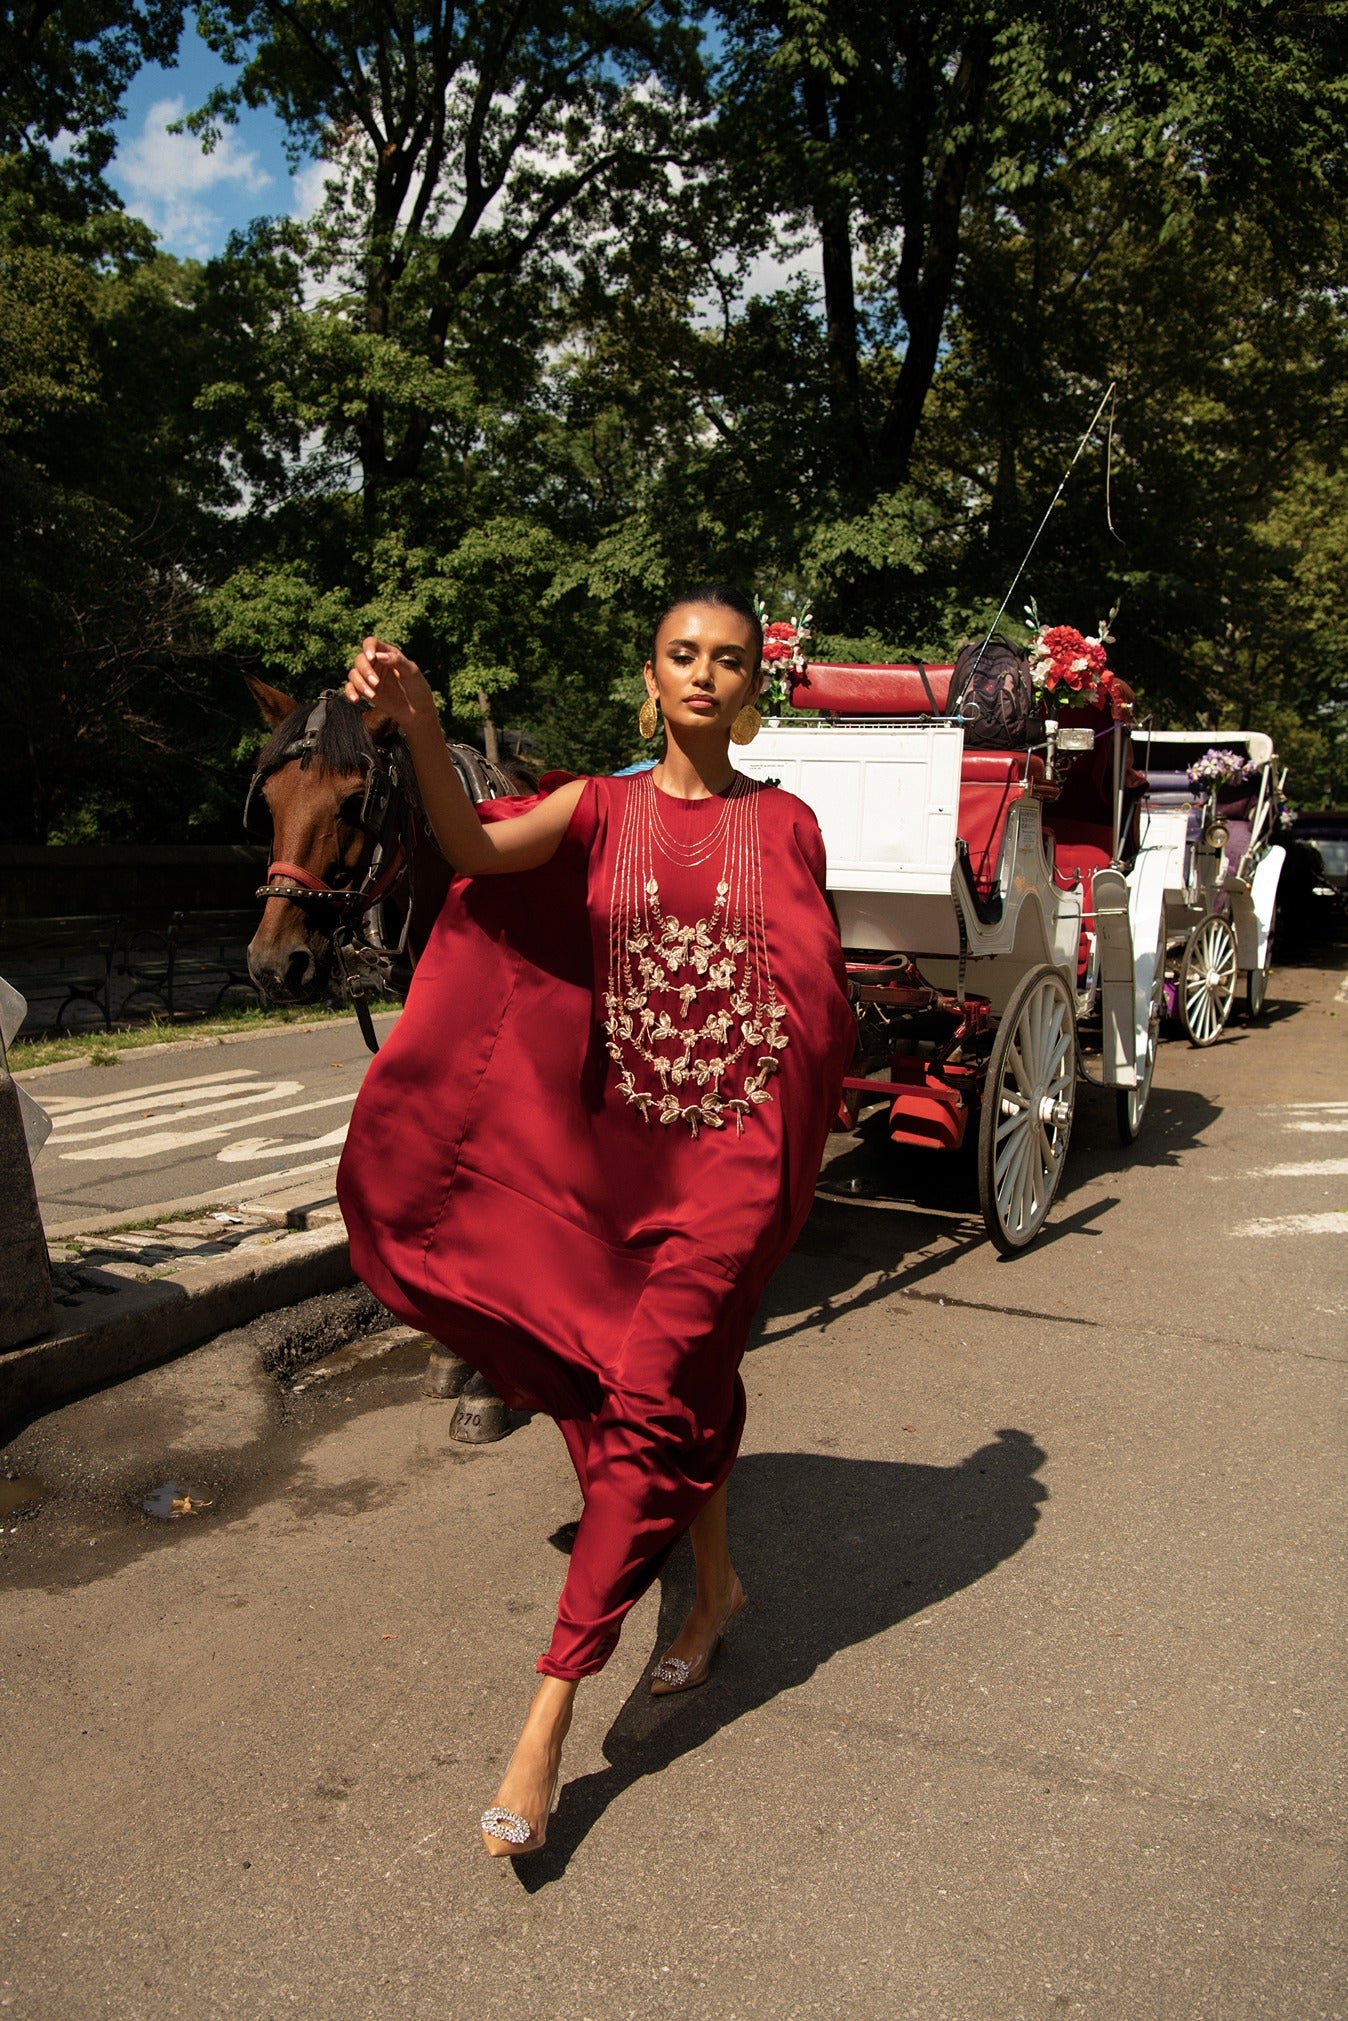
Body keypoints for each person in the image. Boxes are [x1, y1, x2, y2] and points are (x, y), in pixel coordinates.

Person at [337, 585, 854, 1857]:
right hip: (624, 1163)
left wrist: (781, 1153)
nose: (705, 674)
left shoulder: (785, 822)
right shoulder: (599, 803)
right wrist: (418, 725)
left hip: (733, 1164)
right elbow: (470, 853)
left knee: (652, 1388)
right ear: (654, 671)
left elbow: (814, 996)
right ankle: (715, 1587)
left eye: (729, 659)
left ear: (750, 686)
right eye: (685, 652)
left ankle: (550, 1707)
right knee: (666, 1385)